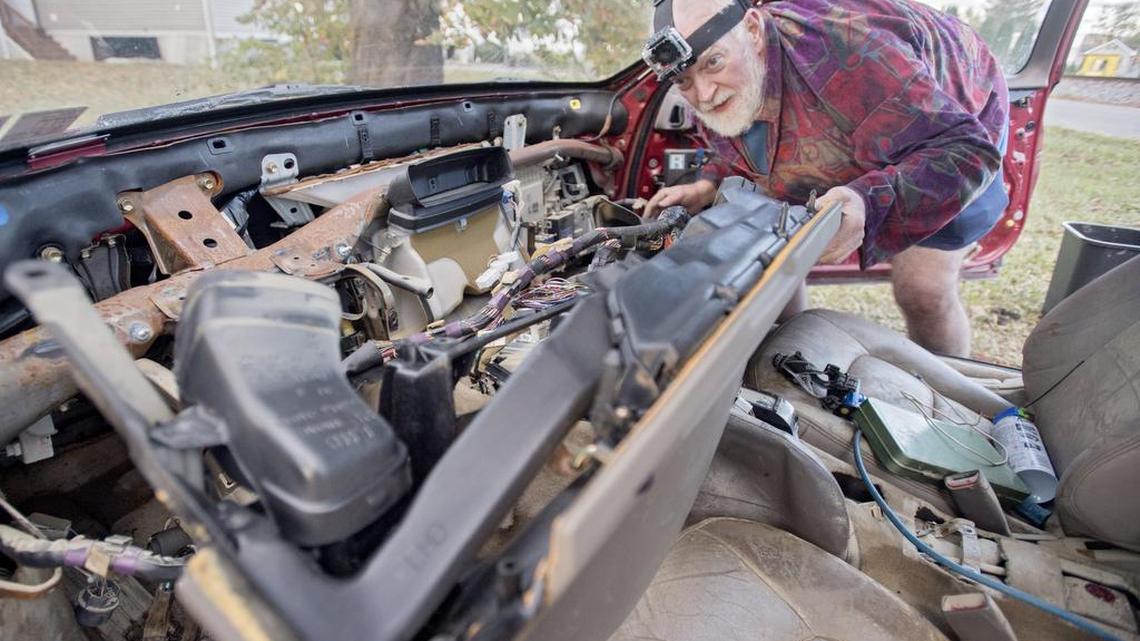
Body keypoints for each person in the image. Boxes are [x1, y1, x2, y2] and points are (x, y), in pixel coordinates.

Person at [642, 0, 1009, 357]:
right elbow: (733, 139)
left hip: (952, 123)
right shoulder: (714, 85)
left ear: (753, 30)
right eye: (684, 81)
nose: (703, 94)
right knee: (776, 258)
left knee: (923, 290)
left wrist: (866, 200)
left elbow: (964, 151)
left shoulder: (848, 47)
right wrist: (706, 185)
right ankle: (795, 357)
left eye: (714, 62)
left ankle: (949, 400)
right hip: (854, 119)